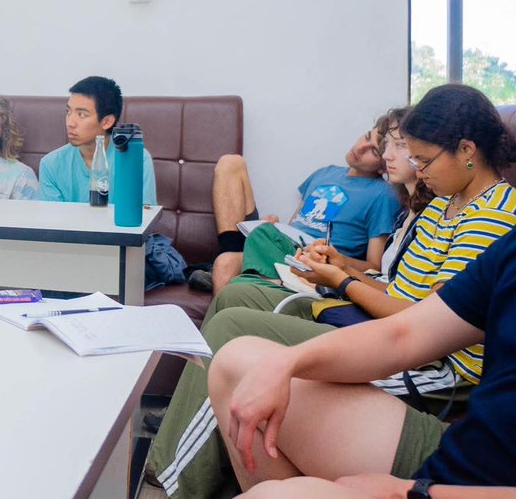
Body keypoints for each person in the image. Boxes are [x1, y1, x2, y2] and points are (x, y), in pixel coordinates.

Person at [146, 86, 516, 499]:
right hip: (395, 329)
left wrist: (342, 282)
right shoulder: (442, 207)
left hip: (438, 371)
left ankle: (172, 477)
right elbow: (404, 300)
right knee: (236, 302)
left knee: (232, 329)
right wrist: (340, 269)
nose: (419, 170)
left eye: (424, 160)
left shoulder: (493, 217)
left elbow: (419, 323)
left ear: (467, 150)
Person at [209, 223, 516, 498]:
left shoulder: (488, 218)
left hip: (467, 486)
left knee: (278, 495)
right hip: (462, 451)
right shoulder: (509, 249)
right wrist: (288, 362)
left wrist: (410, 490)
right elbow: (404, 333)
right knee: (237, 360)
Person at [207, 118, 399, 293]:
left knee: (225, 263)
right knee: (230, 163)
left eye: (373, 151)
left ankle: (225, 275)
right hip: (287, 248)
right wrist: (275, 227)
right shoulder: (324, 173)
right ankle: (234, 253)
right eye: (366, 137)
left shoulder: (382, 194)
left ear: (385, 165)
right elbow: (297, 223)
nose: (360, 148)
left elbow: (374, 267)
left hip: (310, 261)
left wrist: (332, 259)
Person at [37, 76, 156, 204]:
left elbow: (144, 217)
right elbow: (51, 222)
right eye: (68, 112)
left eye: (81, 114)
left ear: (106, 122)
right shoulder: (50, 165)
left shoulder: (137, 160)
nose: (70, 123)